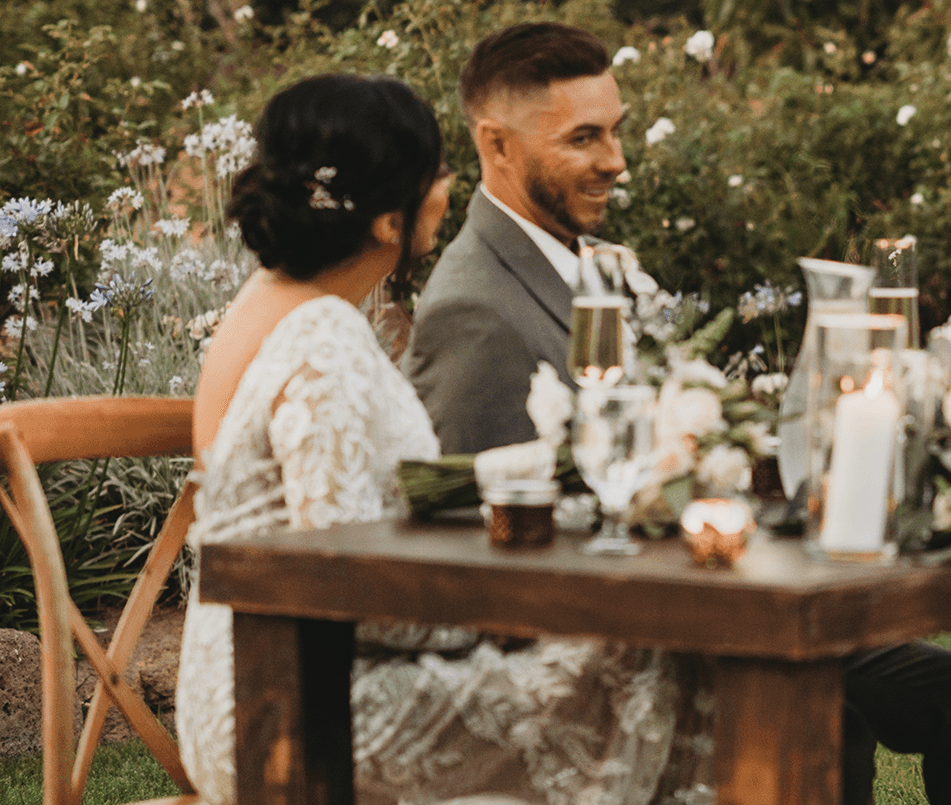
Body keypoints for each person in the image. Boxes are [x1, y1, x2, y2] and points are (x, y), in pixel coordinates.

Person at [404, 22, 951, 805]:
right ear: (496, 145)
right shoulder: (474, 311)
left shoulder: (586, 263)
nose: (616, 160)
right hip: (635, 642)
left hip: (724, 590)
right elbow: (481, 572)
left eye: (616, 131)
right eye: (583, 138)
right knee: (827, 724)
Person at [177, 73, 694, 805]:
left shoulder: (284, 304)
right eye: (440, 170)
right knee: (649, 655)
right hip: (294, 711)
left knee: (626, 652)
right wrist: (506, 615)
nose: (451, 188)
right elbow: (345, 581)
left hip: (282, 677)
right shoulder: (323, 338)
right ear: (390, 221)